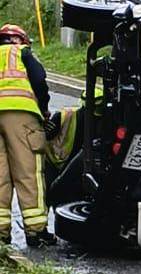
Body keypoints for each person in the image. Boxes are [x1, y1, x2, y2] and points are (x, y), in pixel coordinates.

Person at [0, 24, 56, 247]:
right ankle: (36, 231)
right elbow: (39, 80)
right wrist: (43, 110)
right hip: (21, 116)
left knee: (1, 176)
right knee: (28, 172)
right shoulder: (21, 53)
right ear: (19, 40)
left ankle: (1, 233)